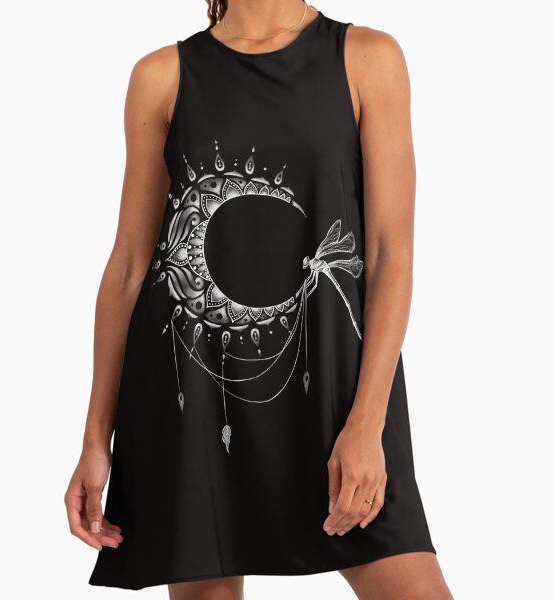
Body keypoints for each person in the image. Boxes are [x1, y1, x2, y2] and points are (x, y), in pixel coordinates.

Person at [64, 1, 454, 598]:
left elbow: (388, 255)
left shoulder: (367, 58)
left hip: (337, 393)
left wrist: (367, 422)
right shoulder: (161, 76)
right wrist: (96, 440)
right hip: (194, 397)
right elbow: (129, 267)